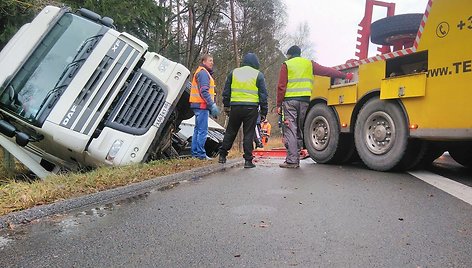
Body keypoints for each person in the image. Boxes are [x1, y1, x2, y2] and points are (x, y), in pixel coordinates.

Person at [277, 45, 353, 168]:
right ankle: (295, 157)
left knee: (290, 129)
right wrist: (344, 76)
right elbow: (326, 71)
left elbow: (281, 86)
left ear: (290, 55)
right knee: (298, 129)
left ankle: (292, 160)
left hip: (290, 102)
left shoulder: (287, 64)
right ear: (299, 53)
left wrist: (278, 104)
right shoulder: (309, 64)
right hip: (305, 101)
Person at [218, 53, 268, 168]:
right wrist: (264, 111)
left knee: (231, 131)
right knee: (248, 133)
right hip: (251, 108)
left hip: (235, 107)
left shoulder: (234, 72)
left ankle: (222, 155)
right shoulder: (258, 75)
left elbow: (226, 92)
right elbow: (263, 95)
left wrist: (226, 106)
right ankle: (248, 161)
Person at [189, 54, 220, 160]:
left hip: (197, 105)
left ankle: (195, 154)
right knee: (202, 130)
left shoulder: (200, 72)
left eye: (212, 61)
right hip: (202, 106)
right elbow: (204, 91)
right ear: (203, 61)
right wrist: (211, 104)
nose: (212, 62)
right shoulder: (203, 73)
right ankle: (201, 155)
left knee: (197, 130)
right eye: (210, 60)